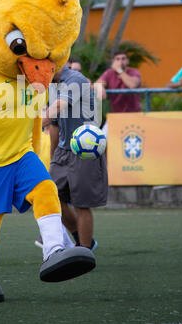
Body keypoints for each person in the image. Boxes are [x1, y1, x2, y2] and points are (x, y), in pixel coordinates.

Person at [41, 63, 108, 251]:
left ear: (53, 64)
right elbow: (54, 125)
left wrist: (28, 126)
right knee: (50, 198)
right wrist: (53, 156)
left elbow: (56, 108)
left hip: (85, 149)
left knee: (81, 204)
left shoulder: (75, 79)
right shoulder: (53, 85)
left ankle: (85, 252)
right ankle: (81, 239)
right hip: (63, 151)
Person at [95, 50, 142, 137]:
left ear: (127, 61)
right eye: (117, 59)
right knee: (101, 140)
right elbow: (97, 83)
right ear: (113, 61)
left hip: (134, 117)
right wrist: (99, 87)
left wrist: (119, 70)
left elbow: (132, 85)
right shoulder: (109, 73)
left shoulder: (133, 72)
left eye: (123, 59)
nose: (120, 61)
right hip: (116, 116)